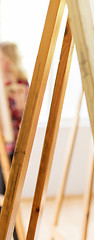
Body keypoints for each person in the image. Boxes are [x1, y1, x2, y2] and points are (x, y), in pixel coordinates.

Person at [0, 42, 29, 240]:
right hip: (2, 146)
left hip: (13, 146)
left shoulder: (20, 83)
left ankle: (14, 233)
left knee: (8, 194)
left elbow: (21, 112)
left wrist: (13, 94)